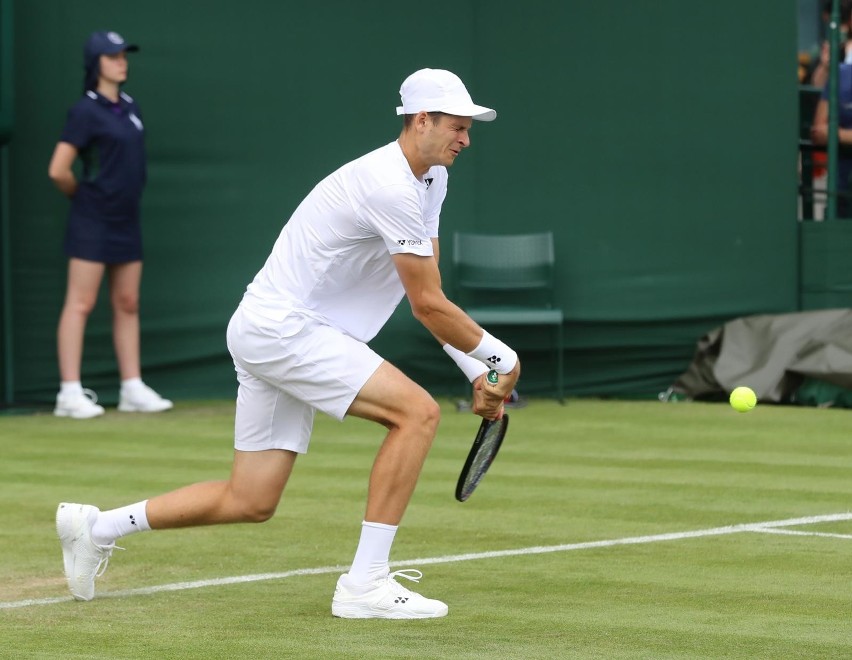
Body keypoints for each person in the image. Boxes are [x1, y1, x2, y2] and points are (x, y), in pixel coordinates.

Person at [56, 68, 521, 619]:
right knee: (417, 415)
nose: (465, 139)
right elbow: (425, 304)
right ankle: (364, 585)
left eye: (469, 129)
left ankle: (96, 527)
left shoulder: (432, 179)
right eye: (457, 127)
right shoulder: (387, 183)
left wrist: (473, 364)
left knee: (250, 500)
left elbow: (427, 289)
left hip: (271, 329)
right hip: (287, 329)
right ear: (422, 121)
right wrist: (501, 358)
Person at [48, 31, 172, 419]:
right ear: (95, 64)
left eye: (124, 55)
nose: (122, 61)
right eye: (113, 56)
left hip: (126, 218)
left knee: (128, 303)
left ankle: (131, 387)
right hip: (93, 218)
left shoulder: (130, 106)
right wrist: (84, 198)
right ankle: (69, 393)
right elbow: (58, 170)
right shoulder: (85, 111)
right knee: (81, 303)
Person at [811, 61, 852, 217]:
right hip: (841, 192)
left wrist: (837, 134)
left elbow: (827, 132)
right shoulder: (841, 74)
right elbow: (818, 132)